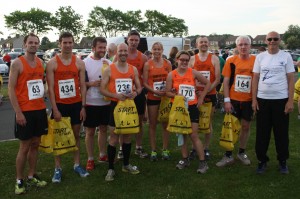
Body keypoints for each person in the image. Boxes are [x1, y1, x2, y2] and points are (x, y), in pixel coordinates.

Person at [46, 32, 89, 183]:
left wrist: (83, 106)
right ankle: (58, 168)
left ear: (73, 43)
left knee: (76, 135)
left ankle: (77, 164)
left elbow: (83, 86)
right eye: (65, 43)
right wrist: (55, 108)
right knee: (58, 137)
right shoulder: (52, 63)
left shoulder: (79, 63)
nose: (68, 45)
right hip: (60, 105)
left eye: (70, 42)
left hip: (76, 104)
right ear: (60, 44)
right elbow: (50, 88)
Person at [9, 33, 48, 194]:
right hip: (24, 111)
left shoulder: (41, 63)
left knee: (35, 144)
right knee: (24, 146)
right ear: (25, 44)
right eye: (30, 42)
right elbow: (10, 89)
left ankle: (31, 175)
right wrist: (18, 112)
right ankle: (19, 179)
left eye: (36, 43)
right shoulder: (17, 63)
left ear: (38, 45)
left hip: (39, 109)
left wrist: (44, 93)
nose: (33, 45)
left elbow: (42, 84)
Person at [252, 31, 295, 174]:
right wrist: (254, 100)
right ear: (265, 41)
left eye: (275, 39)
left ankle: (282, 161)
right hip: (263, 100)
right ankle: (262, 161)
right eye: (269, 39)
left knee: (281, 133)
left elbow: (290, 79)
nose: (272, 41)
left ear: (279, 40)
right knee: (262, 133)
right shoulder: (260, 57)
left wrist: (290, 101)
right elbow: (255, 79)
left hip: (281, 100)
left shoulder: (286, 56)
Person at [100, 43, 142, 181]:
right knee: (113, 137)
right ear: (116, 53)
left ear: (127, 52)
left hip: (129, 106)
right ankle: (111, 168)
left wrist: (135, 93)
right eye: (120, 51)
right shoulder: (109, 69)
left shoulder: (133, 69)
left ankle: (126, 164)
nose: (123, 53)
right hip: (115, 106)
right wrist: (115, 95)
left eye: (125, 51)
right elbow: (102, 89)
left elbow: (139, 87)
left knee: (127, 137)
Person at [166, 50, 211, 173]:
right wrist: (177, 96)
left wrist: (201, 97)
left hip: (192, 107)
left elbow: (207, 83)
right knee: (182, 134)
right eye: (182, 60)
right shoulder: (171, 74)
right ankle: (185, 159)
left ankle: (203, 162)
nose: (184, 62)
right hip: (178, 108)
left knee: (193, 135)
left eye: (187, 60)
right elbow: (167, 92)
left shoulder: (193, 72)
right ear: (177, 60)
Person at [216, 35, 256, 167]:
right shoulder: (231, 60)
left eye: (246, 44)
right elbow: (226, 82)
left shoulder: (256, 60)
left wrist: (255, 100)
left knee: (245, 126)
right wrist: (226, 101)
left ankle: (241, 152)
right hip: (233, 99)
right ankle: (228, 155)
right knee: (231, 127)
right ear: (237, 47)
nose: (243, 47)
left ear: (250, 46)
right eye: (241, 45)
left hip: (248, 100)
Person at [115, 30, 148, 159]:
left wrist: (138, 90)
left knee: (139, 121)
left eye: (136, 40)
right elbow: (113, 71)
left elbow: (144, 79)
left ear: (139, 42)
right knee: (123, 121)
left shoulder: (143, 57)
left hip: (137, 94)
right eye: (131, 40)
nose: (133, 42)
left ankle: (138, 147)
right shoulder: (120, 54)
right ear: (127, 40)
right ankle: (122, 148)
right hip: (123, 94)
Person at [188, 36, 220, 160]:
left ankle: (206, 148)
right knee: (193, 122)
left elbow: (217, 79)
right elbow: (189, 77)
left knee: (208, 121)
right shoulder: (192, 59)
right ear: (197, 44)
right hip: (195, 95)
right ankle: (194, 147)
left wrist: (205, 92)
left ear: (209, 44)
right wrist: (196, 91)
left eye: (206, 42)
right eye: (201, 42)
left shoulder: (214, 58)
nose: (204, 44)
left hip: (209, 94)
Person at [83, 37, 111, 171]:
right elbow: (80, 83)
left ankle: (102, 154)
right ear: (93, 48)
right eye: (100, 47)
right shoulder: (85, 63)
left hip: (105, 102)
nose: (102, 50)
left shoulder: (108, 63)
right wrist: (91, 84)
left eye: (104, 48)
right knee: (90, 132)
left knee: (104, 129)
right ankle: (90, 158)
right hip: (90, 102)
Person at [143, 42, 172, 161]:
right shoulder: (147, 64)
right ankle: (153, 150)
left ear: (162, 50)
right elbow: (144, 82)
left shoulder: (167, 63)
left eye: (159, 49)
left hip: (165, 97)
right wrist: (154, 90)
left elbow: (171, 78)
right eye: (154, 49)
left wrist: (167, 90)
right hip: (153, 97)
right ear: (151, 50)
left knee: (165, 124)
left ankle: (165, 149)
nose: (157, 51)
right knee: (153, 124)